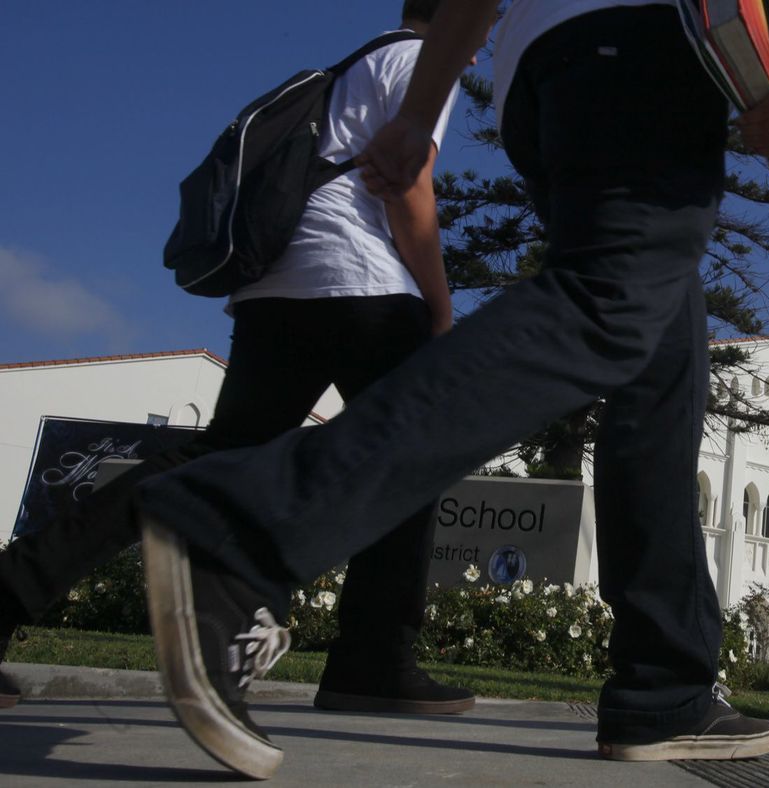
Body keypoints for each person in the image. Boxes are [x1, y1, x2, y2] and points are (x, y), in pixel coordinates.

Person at [129, 0, 769, 778]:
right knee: (606, 305)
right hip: (636, 42)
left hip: (546, 72)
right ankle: (239, 530)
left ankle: (668, 684)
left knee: (662, 374)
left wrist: (418, 113)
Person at [0, 0, 474, 718]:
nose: (477, 50)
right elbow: (410, 187)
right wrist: (440, 308)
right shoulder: (416, 61)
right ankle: (373, 660)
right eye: (482, 28)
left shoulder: (349, 66)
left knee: (213, 457)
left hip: (276, 288)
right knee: (409, 458)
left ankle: (13, 587)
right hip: (362, 283)